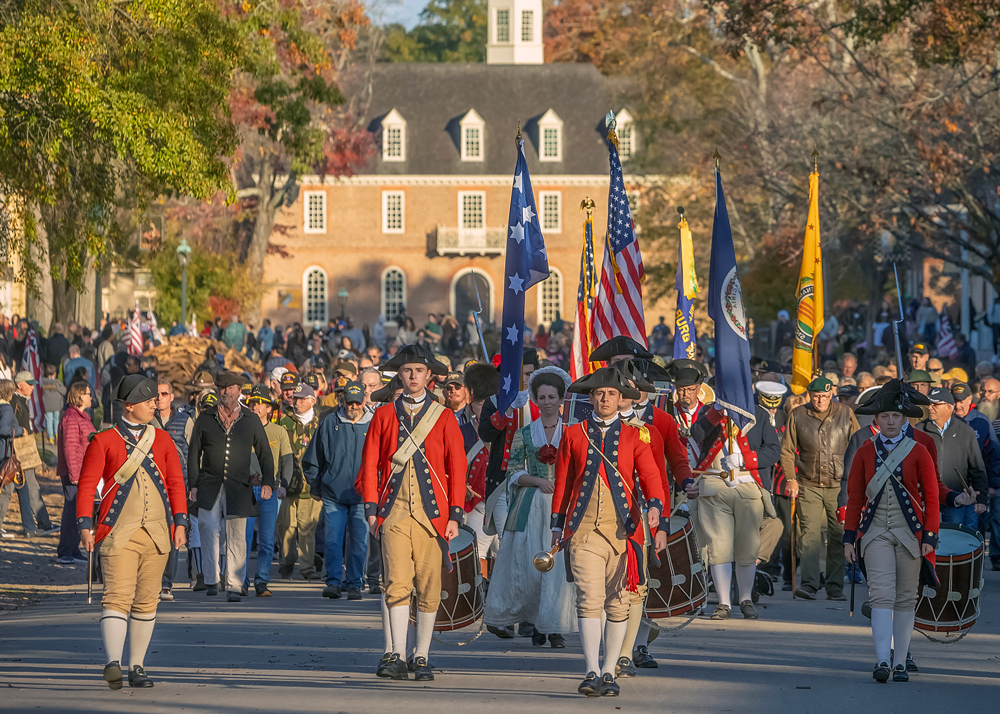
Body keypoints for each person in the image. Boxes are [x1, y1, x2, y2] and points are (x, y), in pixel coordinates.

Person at [551, 367, 665, 697]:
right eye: (599, 393)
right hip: (583, 530)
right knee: (589, 599)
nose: (605, 398)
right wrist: (557, 526)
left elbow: (651, 475)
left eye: (611, 394)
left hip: (624, 531)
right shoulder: (573, 434)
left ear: (620, 399)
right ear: (591, 398)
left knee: (618, 603)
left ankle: (609, 670)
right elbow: (562, 484)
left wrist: (656, 503)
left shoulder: (635, 436)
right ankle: (590, 670)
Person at [359, 344, 466, 682]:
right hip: (393, 513)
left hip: (433, 515)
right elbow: (371, 464)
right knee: (396, 584)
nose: (413, 376)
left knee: (429, 585)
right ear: (400, 376)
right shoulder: (383, 415)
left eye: (419, 370)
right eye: (407, 371)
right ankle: (396, 654)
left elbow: (457, 467)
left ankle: (421, 656)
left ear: (429, 375)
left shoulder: (444, 417)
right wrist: (372, 510)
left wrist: (455, 514)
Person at [75, 375, 189, 690]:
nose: (155, 403)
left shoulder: (163, 440)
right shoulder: (104, 439)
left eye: (155, 398)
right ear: (129, 405)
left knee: (146, 601)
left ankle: (137, 666)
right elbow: (87, 484)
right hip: (116, 535)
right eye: (148, 399)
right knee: (117, 596)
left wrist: (180, 521)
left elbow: (176, 483)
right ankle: (113, 663)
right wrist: (85, 523)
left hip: (157, 535)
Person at [843, 381, 940, 683]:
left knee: (905, 599)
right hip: (874, 533)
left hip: (910, 534)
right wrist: (849, 537)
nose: (889, 421)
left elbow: (932, 497)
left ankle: (900, 662)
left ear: (904, 419)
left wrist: (930, 537)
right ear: (876, 419)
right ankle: (882, 660)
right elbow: (855, 497)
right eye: (884, 416)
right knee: (881, 595)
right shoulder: (863, 452)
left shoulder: (919, 451)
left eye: (895, 416)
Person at [485, 367, 576, 647]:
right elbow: (512, 471)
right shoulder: (525, 433)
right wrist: (537, 480)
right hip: (532, 504)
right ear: (535, 400)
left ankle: (556, 625)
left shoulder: (572, 433)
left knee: (560, 566)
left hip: (561, 504)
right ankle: (537, 622)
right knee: (532, 565)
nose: (547, 402)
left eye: (552, 397)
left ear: (561, 399)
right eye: (542, 397)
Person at [689, 375, 782, 619]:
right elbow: (696, 434)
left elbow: (773, 450)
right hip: (713, 484)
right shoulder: (709, 412)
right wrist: (715, 412)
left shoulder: (758, 415)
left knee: (748, 547)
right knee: (719, 547)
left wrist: (746, 460)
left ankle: (745, 599)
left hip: (748, 484)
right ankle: (723, 602)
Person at [188, 371, 275, 601]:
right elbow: (194, 453)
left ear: (239, 391)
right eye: (222, 388)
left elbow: (265, 453)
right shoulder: (205, 417)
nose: (225, 392)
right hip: (209, 483)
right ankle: (211, 578)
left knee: (237, 534)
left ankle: (235, 584)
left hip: (239, 485)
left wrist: (268, 482)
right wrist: (194, 484)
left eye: (230, 388)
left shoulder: (251, 419)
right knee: (207, 526)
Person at [780, 376, 859, 601]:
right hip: (808, 483)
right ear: (809, 395)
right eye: (816, 396)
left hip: (839, 485)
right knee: (809, 536)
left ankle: (835, 587)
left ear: (831, 395)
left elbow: (859, 446)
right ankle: (809, 584)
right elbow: (787, 450)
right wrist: (790, 478)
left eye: (825, 396)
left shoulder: (845, 413)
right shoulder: (798, 415)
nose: (821, 401)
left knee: (839, 535)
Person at [303, 381, 372, 600]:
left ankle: (354, 584)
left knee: (359, 542)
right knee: (333, 540)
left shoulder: (373, 425)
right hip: (333, 495)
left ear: (364, 401)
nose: (354, 406)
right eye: (349, 401)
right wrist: (316, 486)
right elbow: (312, 459)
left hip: (362, 496)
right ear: (342, 400)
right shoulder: (328, 423)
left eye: (357, 402)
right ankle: (333, 582)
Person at [916, 387, 988, 529]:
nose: (929, 408)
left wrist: (981, 499)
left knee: (953, 540)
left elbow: (977, 467)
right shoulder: (918, 430)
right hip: (925, 498)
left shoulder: (966, 431)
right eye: (929, 404)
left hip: (956, 497)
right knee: (926, 539)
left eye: (935, 404)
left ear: (948, 407)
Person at [244, 385, 292, 597]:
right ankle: (241, 581)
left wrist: (283, 485)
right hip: (247, 489)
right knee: (243, 540)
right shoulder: (242, 430)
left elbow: (287, 460)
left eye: (259, 403)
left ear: (269, 408)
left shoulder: (278, 431)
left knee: (266, 540)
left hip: (270, 491)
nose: (255, 407)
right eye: (252, 403)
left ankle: (261, 580)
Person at [152, 380, 194, 601]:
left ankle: (167, 583)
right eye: (156, 394)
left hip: (179, 487)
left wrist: (193, 486)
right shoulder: (147, 421)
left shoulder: (185, 421)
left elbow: (194, 454)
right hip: (151, 486)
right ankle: (151, 580)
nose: (160, 398)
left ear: (172, 396)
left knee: (173, 534)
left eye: (164, 394)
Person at [276, 383, 323, 580]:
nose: (298, 402)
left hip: (311, 485)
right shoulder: (284, 422)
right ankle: (287, 560)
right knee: (285, 526)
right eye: (295, 398)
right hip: (288, 484)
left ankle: (307, 567)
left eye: (302, 398)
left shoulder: (321, 422)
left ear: (312, 400)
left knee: (307, 527)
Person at [7, 370, 57, 535]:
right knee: (20, 489)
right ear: (19, 384)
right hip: (18, 452)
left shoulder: (21, 401)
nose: (32, 387)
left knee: (27, 488)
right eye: (29, 384)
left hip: (22, 451)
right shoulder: (14, 402)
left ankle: (38, 524)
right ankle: (38, 524)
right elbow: (11, 427)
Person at [55, 382, 95, 564]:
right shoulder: (71, 417)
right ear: (79, 396)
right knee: (71, 511)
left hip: (83, 472)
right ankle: (65, 551)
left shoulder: (82, 416)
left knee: (79, 511)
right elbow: (70, 448)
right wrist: (74, 476)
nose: (91, 397)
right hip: (75, 474)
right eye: (88, 394)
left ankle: (73, 548)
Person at [41, 363, 66, 444]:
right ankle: (57, 434)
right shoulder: (57, 382)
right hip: (56, 405)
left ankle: (50, 437)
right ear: (55, 373)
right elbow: (64, 391)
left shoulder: (42, 382)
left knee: (49, 420)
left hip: (47, 405)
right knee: (56, 420)